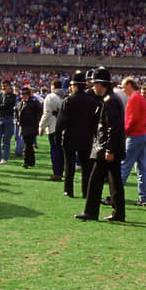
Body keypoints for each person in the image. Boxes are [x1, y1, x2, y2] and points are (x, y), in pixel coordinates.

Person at [76, 67, 127, 222]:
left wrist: (109, 149)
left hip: (107, 148)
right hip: (109, 147)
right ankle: (118, 213)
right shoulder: (109, 99)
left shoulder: (110, 101)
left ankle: (91, 212)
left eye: (95, 84)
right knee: (114, 181)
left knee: (96, 180)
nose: (93, 87)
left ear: (101, 84)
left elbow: (113, 127)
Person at [56, 70, 99, 198]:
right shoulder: (92, 101)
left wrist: (58, 139)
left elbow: (60, 122)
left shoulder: (68, 100)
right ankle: (86, 191)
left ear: (74, 86)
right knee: (86, 167)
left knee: (69, 166)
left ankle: (68, 191)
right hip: (86, 138)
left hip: (70, 137)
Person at [119, 77, 146, 206]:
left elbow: (132, 118)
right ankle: (144, 198)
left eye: (123, 86)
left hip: (135, 135)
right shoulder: (140, 98)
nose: (122, 89)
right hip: (142, 134)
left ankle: (115, 194)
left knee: (124, 166)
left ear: (130, 85)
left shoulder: (134, 98)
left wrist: (125, 131)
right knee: (141, 169)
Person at [39, 79, 66, 181]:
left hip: (53, 126)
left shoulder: (50, 97)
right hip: (63, 126)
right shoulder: (65, 96)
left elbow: (46, 114)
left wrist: (41, 126)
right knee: (61, 150)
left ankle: (56, 173)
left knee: (55, 150)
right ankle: (60, 172)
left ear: (53, 86)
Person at [16, 86, 43, 169]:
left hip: (31, 127)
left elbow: (39, 113)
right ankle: (31, 161)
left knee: (27, 145)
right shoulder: (19, 103)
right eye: (21, 95)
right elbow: (16, 113)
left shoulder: (34, 103)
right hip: (23, 126)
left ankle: (26, 162)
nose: (22, 96)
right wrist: (17, 120)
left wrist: (36, 123)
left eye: (24, 95)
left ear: (27, 95)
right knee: (28, 145)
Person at [0, 79, 16, 164]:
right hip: (0, 117)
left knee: (6, 139)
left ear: (9, 86)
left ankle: (5, 158)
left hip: (8, 118)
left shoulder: (12, 96)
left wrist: (0, 106)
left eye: (5, 86)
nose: (3, 87)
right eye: (3, 86)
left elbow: (7, 105)